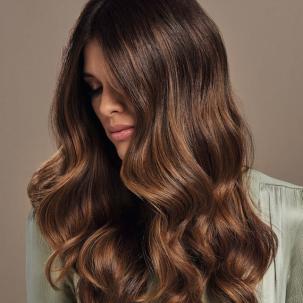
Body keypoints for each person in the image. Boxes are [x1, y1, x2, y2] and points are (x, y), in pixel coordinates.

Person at [25, 0, 303, 302]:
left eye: (123, 83)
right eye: (94, 88)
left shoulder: (290, 217)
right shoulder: (65, 219)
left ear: (181, 89)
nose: (105, 107)